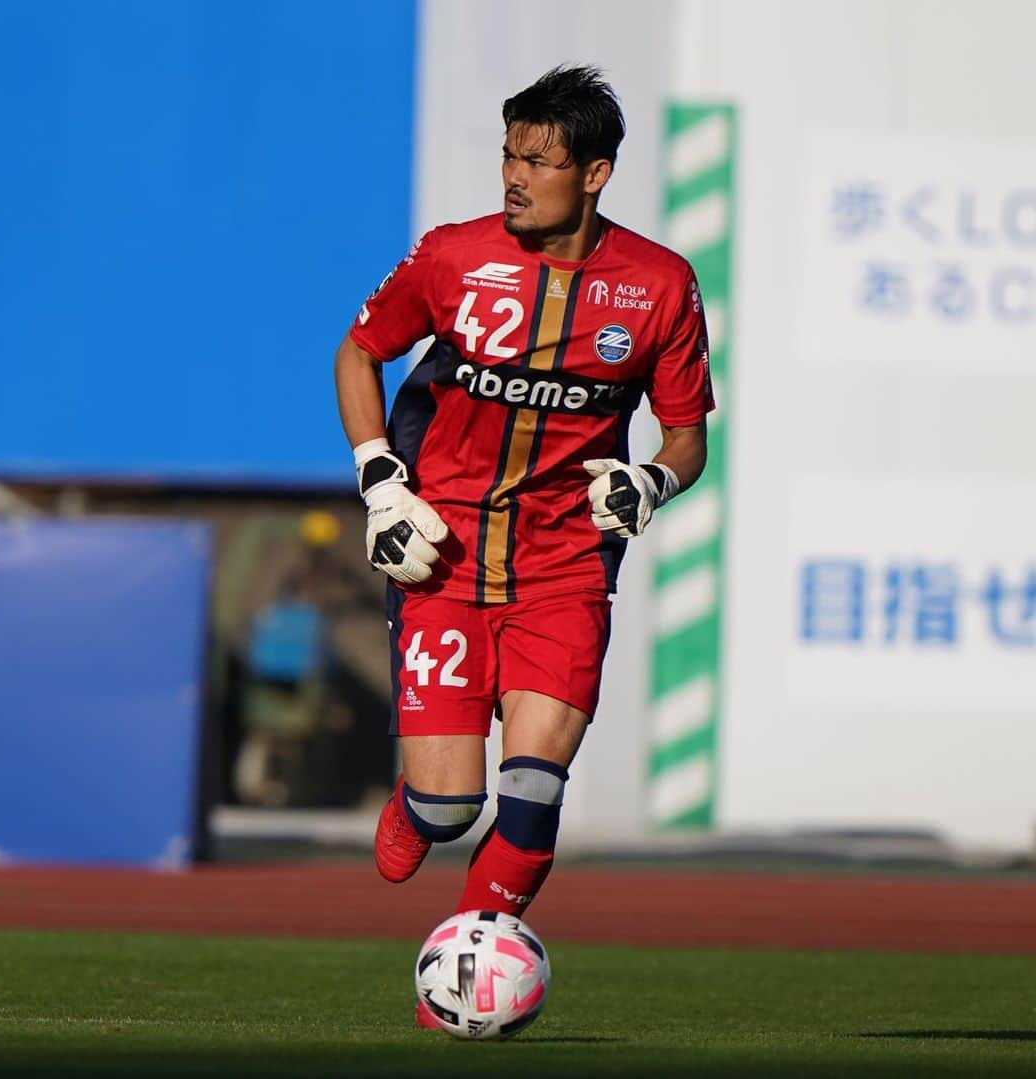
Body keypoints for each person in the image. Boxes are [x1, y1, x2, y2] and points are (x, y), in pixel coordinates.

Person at [334, 65, 712, 1026]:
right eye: (508, 153)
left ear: (595, 173)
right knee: (450, 810)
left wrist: (652, 480)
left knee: (535, 801)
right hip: (446, 559)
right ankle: (418, 803)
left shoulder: (661, 284)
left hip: (565, 566)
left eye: (537, 160)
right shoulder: (455, 257)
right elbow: (360, 349)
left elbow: (686, 434)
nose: (514, 176)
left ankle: (461, 984)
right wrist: (380, 475)